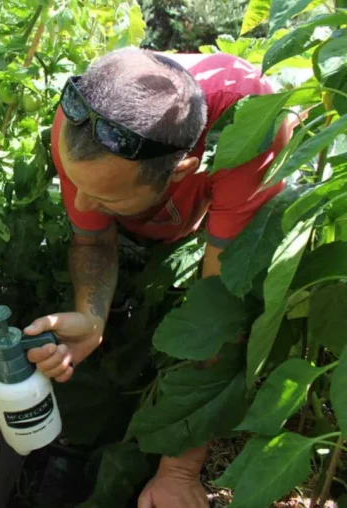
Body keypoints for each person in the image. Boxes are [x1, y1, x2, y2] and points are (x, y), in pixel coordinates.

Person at [23, 48, 293, 508]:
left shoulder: (253, 132)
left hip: (214, 215)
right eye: (76, 185)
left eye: (103, 197)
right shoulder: (84, 118)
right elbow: (91, 240)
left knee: (190, 328)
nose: (82, 207)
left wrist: (180, 470)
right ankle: (70, 450)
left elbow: (219, 310)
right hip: (151, 213)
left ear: (183, 170)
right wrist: (91, 315)